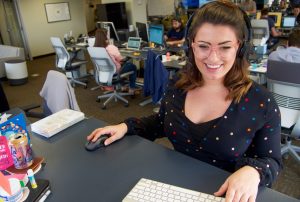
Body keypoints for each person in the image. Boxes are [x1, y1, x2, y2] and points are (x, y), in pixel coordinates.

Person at [88, 1, 282, 201]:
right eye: (204, 46)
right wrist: (126, 127)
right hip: (173, 188)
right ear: (191, 47)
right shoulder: (178, 86)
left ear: (239, 48)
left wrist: (254, 171)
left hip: (224, 195)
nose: (213, 59)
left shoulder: (261, 102)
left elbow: (272, 160)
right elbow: (161, 122)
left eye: (225, 47)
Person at [94, 28, 138, 94]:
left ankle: (123, 87)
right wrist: (127, 57)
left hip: (103, 74)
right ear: (106, 36)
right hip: (115, 72)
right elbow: (121, 59)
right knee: (133, 66)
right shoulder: (110, 47)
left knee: (121, 65)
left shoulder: (94, 49)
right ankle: (131, 89)